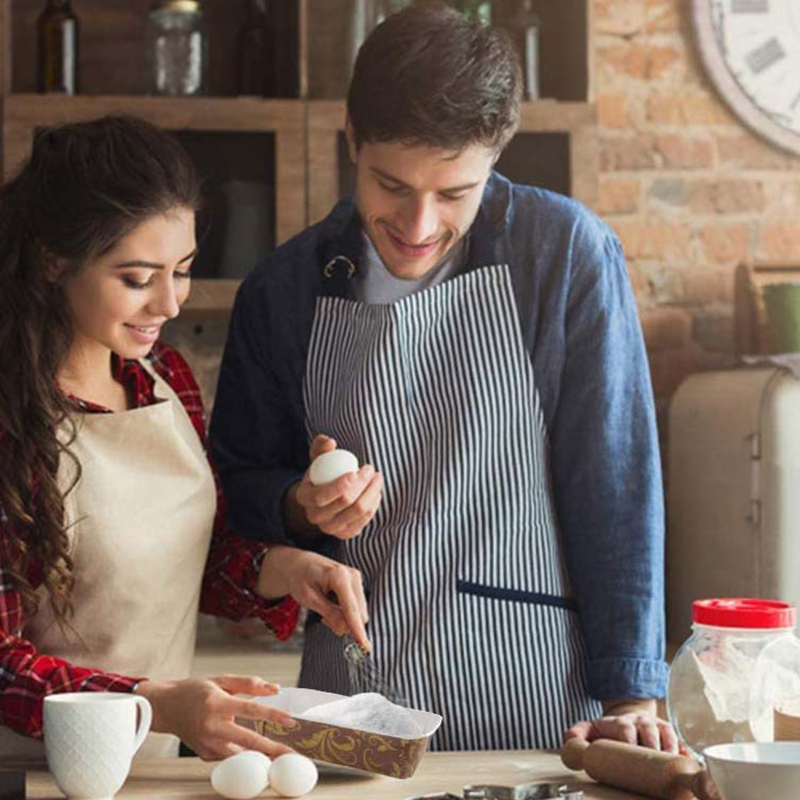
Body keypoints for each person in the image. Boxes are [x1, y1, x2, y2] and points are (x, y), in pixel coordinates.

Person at [210, 5, 670, 752]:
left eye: (455, 194)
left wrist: (634, 694)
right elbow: (236, 493)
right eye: (390, 184)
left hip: (540, 698)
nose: (418, 225)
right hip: (354, 705)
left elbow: (615, 484)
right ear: (352, 137)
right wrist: (298, 504)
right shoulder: (283, 290)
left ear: (496, 154)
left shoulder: (564, 255)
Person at [0, 115, 369, 763]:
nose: (170, 304)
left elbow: (178, 569)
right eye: (138, 278)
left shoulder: (163, 378)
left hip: (147, 768)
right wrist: (157, 703)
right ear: (52, 259)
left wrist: (282, 569)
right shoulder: (10, 418)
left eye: (184, 269)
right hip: (28, 772)